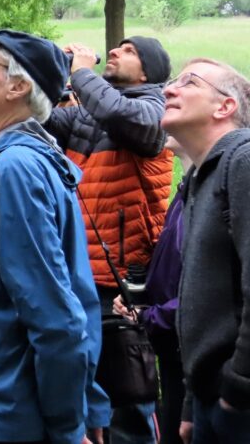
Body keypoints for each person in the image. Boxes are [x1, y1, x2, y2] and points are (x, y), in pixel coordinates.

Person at [0, 29, 109, 444]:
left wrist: (68, 427)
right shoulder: (10, 162)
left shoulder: (16, 168)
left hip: (10, 417)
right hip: (2, 408)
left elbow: (55, 317)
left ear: (17, 87)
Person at [45, 37, 173, 443]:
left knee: (128, 399)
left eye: (130, 50)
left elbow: (128, 118)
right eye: (115, 47)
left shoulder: (156, 107)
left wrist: (81, 71)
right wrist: (51, 66)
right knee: (89, 395)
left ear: (149, 72)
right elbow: (38, 117)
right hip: (80, 276)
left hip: (123, 282)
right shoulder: (89, 115)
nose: (115, 52)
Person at [160, 58, 250, 444]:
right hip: (209, 399)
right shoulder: (201, 175)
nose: (168, 89)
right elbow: (202, 301)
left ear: (224, 106)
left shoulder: (242, 161)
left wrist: (238, 386)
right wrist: (192, 403)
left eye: (188, 82)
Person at [112, 135, 192, 444]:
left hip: (195, 356)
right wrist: (142, 295)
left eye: (190, 82)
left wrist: (151, 316)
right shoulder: (190, 186)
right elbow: (177, 263)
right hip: (175, 347)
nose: (172, 91)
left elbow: (212, 292)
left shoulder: (220, 190)